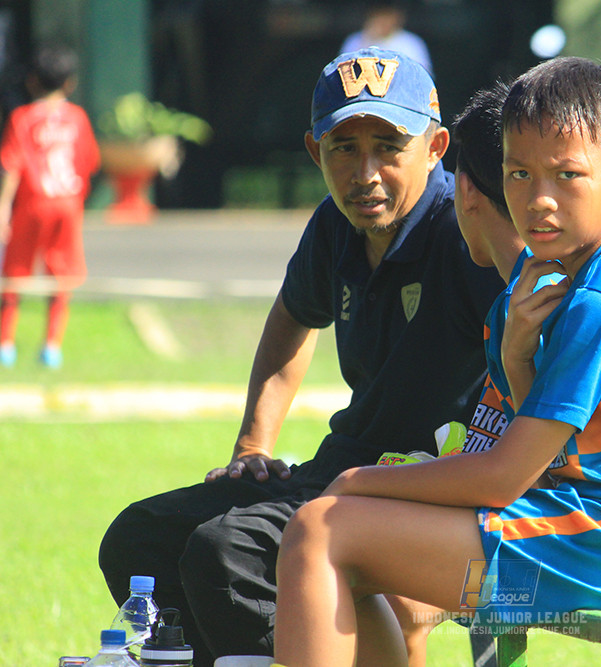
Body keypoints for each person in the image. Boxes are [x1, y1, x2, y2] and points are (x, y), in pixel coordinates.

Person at [272, 56, 601, 666]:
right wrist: (518, 359)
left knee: (320, 531)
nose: (539, 200)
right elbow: (545, 455)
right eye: (519, 174)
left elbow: (504, 476)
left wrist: (358, 480)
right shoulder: (548, 284)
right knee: (356, 553)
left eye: (567, 175)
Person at [98, 47, 505, 666]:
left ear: (436, 146)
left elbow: (540, 345)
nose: (365, 172)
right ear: (316, 152)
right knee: (138, 540)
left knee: (228, 552)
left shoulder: (464, 230)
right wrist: (251, 448)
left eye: (388, 147)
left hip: (421, 486)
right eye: (345, 148)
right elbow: (293, 316)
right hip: (342, 468)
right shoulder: (335, 227)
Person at [0, 42, 100, 368]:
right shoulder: (77, 118)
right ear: (70, 83)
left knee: (14, 273)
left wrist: (3, 207)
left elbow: (11, 166)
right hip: (67, 204)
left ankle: (6, 344)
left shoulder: (22, 118)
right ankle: (51, 346)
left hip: (32, 203)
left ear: (32, 81)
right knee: (62, 276)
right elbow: (88, 162)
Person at [340, 2, 433, 77]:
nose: (383, 20)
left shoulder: (411, 42)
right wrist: (368, 39)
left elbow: (422, 78)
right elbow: (345, 75)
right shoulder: (355, 40)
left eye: (387, 15)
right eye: (378, 15)